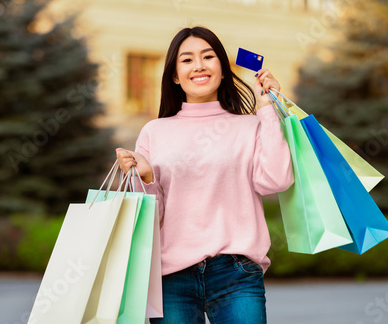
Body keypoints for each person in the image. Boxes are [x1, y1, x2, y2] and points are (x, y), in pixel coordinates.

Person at [116, 26, 294, 324]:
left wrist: (268, 110)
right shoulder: (154, 131)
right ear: (174, 75)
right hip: (171, 277)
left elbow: (275, 181)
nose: (198, 65)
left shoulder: (250, 126)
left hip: (236, 272)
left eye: (208, 56)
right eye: (186, 60)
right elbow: (149, 218)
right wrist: (146, 178)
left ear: (223, 69)